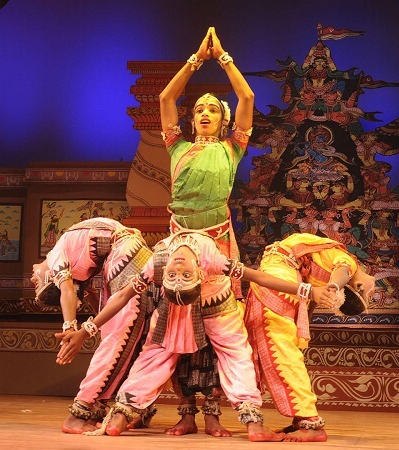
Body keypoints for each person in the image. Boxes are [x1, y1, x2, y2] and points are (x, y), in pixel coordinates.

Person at [57, 230, 333, 442]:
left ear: (200, 274)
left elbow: (258, 277)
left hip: (216, 304)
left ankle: (253, 423)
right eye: (176, 273)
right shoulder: (158, 265)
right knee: (158, 354)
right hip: (176, 308)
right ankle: (120, 417)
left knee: (233, 354)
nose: (177, 267)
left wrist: (306, 291)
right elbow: (122, 297)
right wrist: (85, 329)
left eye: (182, 273)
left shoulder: (207, 259)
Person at [158, 25, 255, 437]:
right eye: (199, 108)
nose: (204, 113)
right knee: (178, 325)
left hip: (216, 241)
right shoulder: (177, 147)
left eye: (213, 109)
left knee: (216, 328)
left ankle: (213, 411)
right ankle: (185, 411)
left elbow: (247, 96)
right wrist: (196, 60)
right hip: (180, 241)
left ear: (224, 119)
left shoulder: (232, 148)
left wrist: (224, 58)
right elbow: (165, 98)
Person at [244, 233, 376, 442]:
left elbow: (315, 298)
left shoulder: (327, 262)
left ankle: (309, 421)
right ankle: (302, 420)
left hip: (279, 283)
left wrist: (329, 290)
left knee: (283, 355)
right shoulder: (346, 261)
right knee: (283, 354)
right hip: (281, 281)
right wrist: (334, 286)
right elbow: (342, 272)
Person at [30, 217, 156, 434]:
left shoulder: (56, 255)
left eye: (35, 281)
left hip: (127, 250)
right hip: (130, 252)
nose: (33, 279)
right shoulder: (84, 267)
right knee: (133, 334)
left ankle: (84, 411)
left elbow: (68, 290)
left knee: (124, 335)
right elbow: (93, 303)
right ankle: (122, 409)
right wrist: (87, 330)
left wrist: (72, 330)